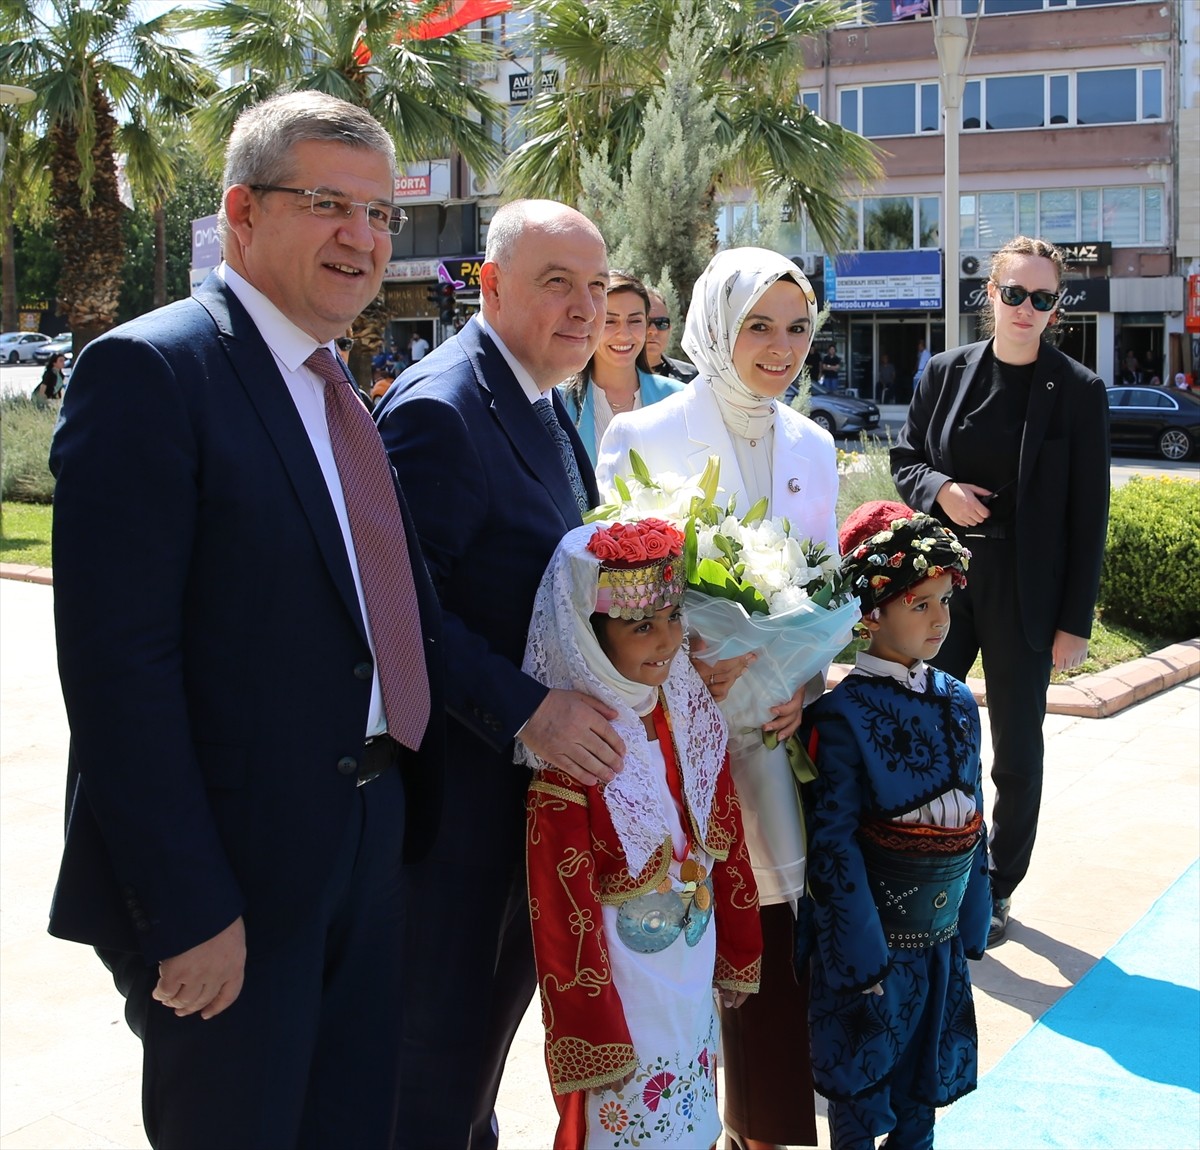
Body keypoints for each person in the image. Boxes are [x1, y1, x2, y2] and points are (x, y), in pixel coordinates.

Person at [46, 91, 444, 1148]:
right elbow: (118, 672)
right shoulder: (152, 371)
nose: (361, 238)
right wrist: (184, 909)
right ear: (242, 213)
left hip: (368, 838)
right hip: (231, 877)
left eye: (379, 215)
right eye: (328, 204)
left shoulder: (342, 393)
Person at [375, 199, 635, 1148]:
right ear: (489, 286)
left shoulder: (545, 399)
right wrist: (529, 713)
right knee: (432, 1063)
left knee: (474, 1060)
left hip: (527, 804)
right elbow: (400, 617)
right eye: (556, 282)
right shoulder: (444, 409)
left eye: (597, 287)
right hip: (455, 815)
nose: (584, 307)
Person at [598, 246, 839, 1150]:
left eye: (797, 326)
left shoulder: (813, 445)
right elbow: (619, 591)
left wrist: (804, 686)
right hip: (671, 738)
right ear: (714, 326)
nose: (780, 348)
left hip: (775, 736)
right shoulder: (642, 435)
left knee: (773, 939)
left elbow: (820, 589)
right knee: (680, 934)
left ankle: (767, 1129)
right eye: (758, 326)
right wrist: (681, 663)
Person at [891, 235, 1109, 948]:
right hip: (943, 586)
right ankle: (929, 860)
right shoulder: (947, 374)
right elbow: (905, 459)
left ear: (1055, 308)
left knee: (1016, 748)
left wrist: (1073, 622)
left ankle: (1000, 883)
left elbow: (1089, 516)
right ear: (991, 295)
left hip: (1027, 590)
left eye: (1041, 298)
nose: (1025, 308)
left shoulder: (1078, 391)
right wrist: (941, 489)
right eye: (1013, 293)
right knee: (926, 728)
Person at [521, 519, 763, 1147]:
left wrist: (737, 949)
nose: (666, 641)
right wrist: (592, 1029)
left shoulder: (685, 713)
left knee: (692, 1113)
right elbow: (561, 907)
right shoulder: (574, 747)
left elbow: (723, 830)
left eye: (673, 617)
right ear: (591, 634)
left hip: (689, 967)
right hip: (623, 989)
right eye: (640, 626)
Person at [802, 501, 990, 1150]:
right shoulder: (840, 716)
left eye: (944, 601)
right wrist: (861, 962)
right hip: (872, 953)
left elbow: (974, 818)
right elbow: (833, 849)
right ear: (870, 613)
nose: (940, 620)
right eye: (920, 604)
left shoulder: (960, 700)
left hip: (936, 947)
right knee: (862, 1102)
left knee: (921, 1100)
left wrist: (971, 921)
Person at [558, 271, 682, 465]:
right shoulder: (558, 401)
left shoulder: (678, 399)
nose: (624, 334)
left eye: (635, 321)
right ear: (590, 322)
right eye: (610, 321)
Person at [645, 288, 699, 383]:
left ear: (670, 328)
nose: (653, 330)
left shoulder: (693, 379)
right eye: (645, 322)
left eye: (662, 323)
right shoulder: (612, 378)